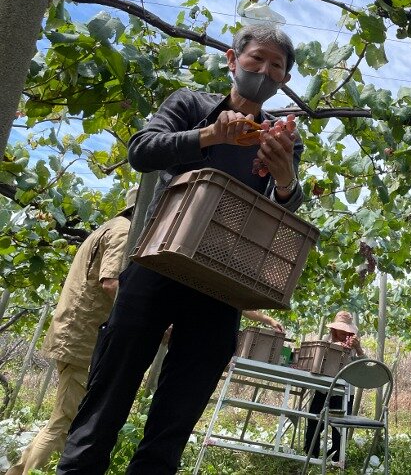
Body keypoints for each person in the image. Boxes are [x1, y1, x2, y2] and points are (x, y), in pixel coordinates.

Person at [57, 24, 304, 475]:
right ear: (233, 60)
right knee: (108, 392)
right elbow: (142, 150)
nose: (265, 71)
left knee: (178, 413)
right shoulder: (191, 105)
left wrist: (286, 175)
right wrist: (209, 136)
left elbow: (281, 204)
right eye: (257, 59)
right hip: (156, 262)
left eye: (277, 66)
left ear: (285, 79)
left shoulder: (282, 134)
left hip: (222, 281)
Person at [5, 189, 137, 475]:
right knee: (67, 421)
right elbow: (111, 283)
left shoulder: (107, 228)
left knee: (62, 418)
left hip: (75, 335)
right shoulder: (124, 232)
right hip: (83, 339)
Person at [304, 310, 365, 461]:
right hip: (324, 389)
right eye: (341, 329)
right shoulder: (326, 340)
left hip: (343, 392)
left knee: (339, 428)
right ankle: (311, 454)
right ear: (334, 328)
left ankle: (336, 458)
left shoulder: (354, 345)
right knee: (314, 421)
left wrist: (358, 349)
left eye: (347, 330)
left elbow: (364, 366)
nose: (344, 332)